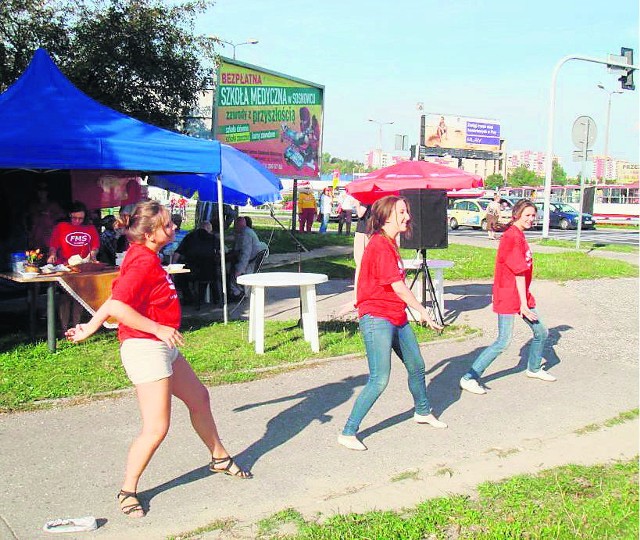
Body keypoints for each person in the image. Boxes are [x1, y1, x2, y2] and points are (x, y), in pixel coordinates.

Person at [65, 201, 252, 519]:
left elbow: (113, 299)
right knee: (156, 428)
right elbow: (121, 307)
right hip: (145, 347)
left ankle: (219, 457)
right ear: (150, 233)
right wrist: (157, 328)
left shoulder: (147, 257)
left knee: (199, 399)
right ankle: (128, 490)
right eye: (168, 225)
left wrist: (90, 326)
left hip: (161, 344)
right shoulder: (141, 261)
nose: (174, 228)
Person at [338, 195, 446, 451]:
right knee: (379, 378)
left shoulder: (389, 244)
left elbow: (373, 279)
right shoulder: (379, 245)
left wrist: (356, 299)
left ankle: (421, 411)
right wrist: (422, 311)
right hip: (378, 318)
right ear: (387, 217)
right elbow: (398, 286)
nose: (408, 216)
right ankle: (348, 431)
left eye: (407, 211)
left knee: (417, 366)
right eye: (402, 212)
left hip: (395, 315)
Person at [459, 199, 556, 396]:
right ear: (517, 215)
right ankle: (469, 377)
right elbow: (519, 272)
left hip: (521, 296)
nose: (531, 218)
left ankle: (534, 368)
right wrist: (523, 305)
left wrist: (525, 300)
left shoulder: (519, 235)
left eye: (533, 215)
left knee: (542, 333)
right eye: (527, 215)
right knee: (503, 341)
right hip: (509, 296)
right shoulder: (512, 237)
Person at [47, 201, 100, 333]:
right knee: (65, 297)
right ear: (70, 215)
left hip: (82, 267)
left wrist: (93, 256)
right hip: (65, 266)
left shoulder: (90, 228)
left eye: (80, 218)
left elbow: (95, 246)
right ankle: (64, 328)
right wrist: (52, 254)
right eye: (74, 218)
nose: (77, 221)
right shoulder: (61, 227)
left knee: (79, 297)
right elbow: (53, 244)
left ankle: (76, 326)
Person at [229, 216, 267, 298]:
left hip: (250, 262)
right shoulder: (247, 232)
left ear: (238, 225)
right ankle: (237, 291)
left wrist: (239, 270)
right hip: (252, 260)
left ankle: (237, 293)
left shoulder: (246, 234)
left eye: (235, 225)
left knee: (231, 269)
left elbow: (245, 254)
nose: (233, 227)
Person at [27, 181, 65, 252]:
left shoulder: (53, 204)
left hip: (49, 237)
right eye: (40, 191)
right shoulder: (33, 205)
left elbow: (63, 215)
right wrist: (29, 232)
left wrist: (50, 214)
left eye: (44, 191)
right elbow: (27, 218)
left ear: (47, 193)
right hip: (36, 237)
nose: (42, 193)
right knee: (36, 258)